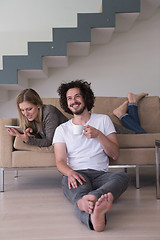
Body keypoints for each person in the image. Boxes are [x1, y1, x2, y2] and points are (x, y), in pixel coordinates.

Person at [52, 80, 129, 232]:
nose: (73, 101)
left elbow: (114, 154)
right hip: (76, 174)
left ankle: (89, 199)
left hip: (101, 174)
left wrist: (99, 135)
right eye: (69, 98)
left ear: (85, 98)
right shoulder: (62, 129)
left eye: (77, 96)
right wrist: (70, 173)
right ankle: (94, 217)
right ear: (66, 103)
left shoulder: (103, 120)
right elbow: (60, 161)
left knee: (122, 177)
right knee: (79, 191)